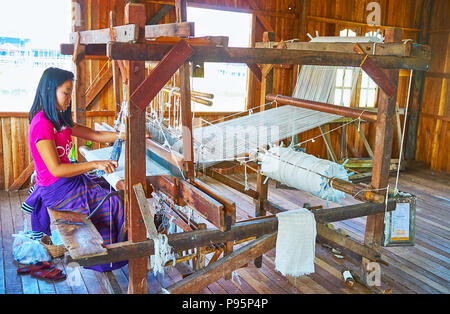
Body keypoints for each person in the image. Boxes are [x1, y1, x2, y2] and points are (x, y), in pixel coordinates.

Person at [22, 67, 127, 272]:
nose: (70, 97)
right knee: (115, 202)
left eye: (71, 92)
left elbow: (94, 135)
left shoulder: (59, 120)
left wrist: (124, 135)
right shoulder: (42, 124)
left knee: (109, 190)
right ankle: (107, 257)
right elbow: (56, 169)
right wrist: (95, 164)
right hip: (57, 190)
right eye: (66, 92)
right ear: (50, 90)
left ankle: (117, 251)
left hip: (68, 183)